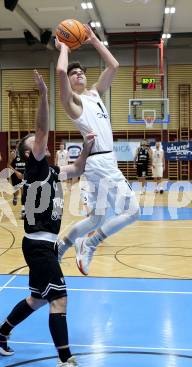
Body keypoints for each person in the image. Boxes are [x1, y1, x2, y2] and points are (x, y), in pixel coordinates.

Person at [0, 70, 94, 367]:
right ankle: (65, 363)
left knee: (37, 298)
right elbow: (42, 128)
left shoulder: (50, 170)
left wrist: (87, 147)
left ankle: (0, 331)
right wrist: (45, 96)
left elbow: (77, 168)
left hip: (42, 246)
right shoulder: (34, 166)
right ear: (27, 151)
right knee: (59, 298)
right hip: (38, 246)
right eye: (35, 141)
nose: (41, 141)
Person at [55, 25, 140, 276]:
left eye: (81, 72)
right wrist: (63, 47)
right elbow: (60, 69)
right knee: (133, 212)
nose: (79, 74)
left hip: (102, 163)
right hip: (100, 163)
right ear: (69, 82)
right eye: (75, 74)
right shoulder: (71, 101)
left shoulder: (94, 94)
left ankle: (63, 245)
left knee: (96, 219)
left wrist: (93, 39)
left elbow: (114, 66)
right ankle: (90, 243)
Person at [9, 142, 26, 218]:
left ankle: (23, 210)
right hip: (15, 175)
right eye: (19, 144)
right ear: (16, 145)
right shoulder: (13, 153)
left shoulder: (25, 153)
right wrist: (16, 172)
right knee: (16, 192)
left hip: (23, 175)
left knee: (23, 191)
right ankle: (15, 197)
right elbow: (8, 165)